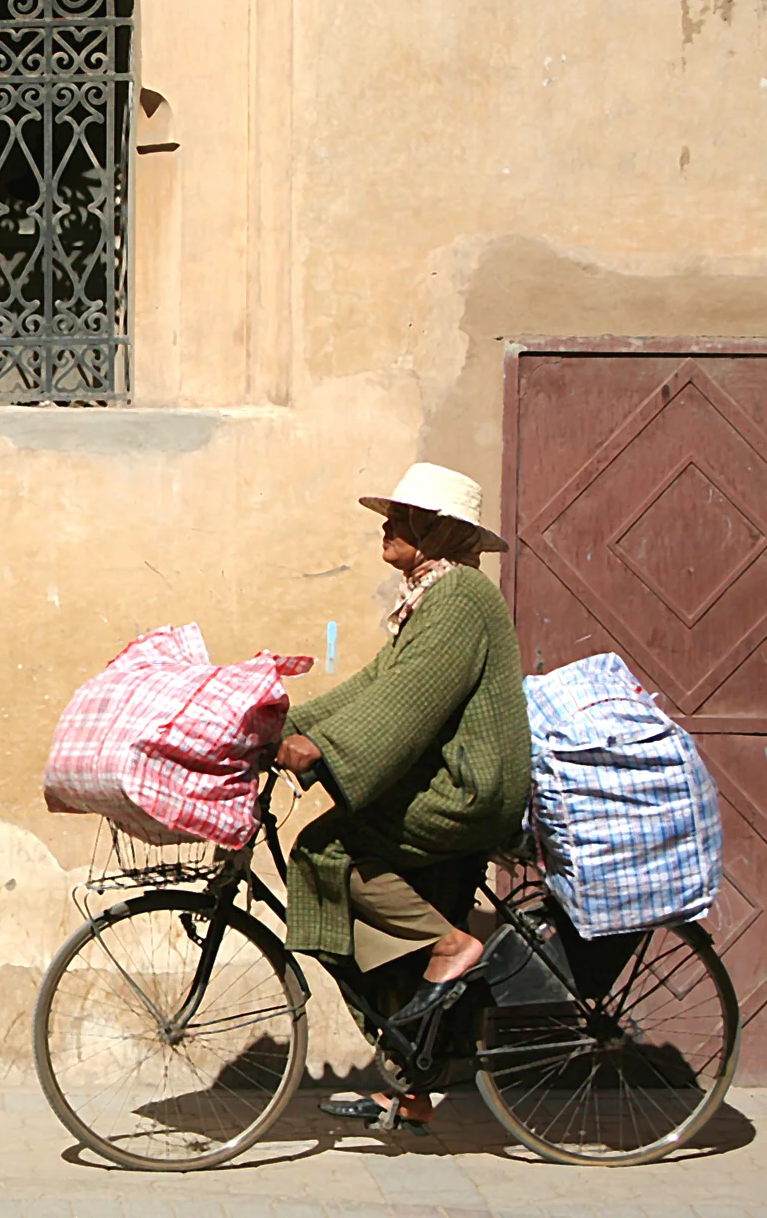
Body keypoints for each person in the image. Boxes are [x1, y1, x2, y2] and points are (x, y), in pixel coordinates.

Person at [275, 462, 532, 1128]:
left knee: (324, 847)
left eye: (401, 515)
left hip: (466, 790)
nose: (385, 524)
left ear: (438, 528)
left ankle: (453, 946)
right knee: (405, 923)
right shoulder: (431, 597)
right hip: (444, 783)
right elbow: (370, 685)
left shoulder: (458, 601)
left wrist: (323, 751)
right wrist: (279, 726)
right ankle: (412, 1084)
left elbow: (407, 699)